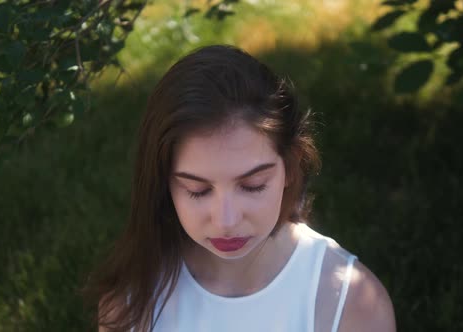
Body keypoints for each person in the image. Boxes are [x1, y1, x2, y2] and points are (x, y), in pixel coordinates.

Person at [85, 45, 395, 332]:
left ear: (290, 165)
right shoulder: (131, 299)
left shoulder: (347, 303)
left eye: (252, 185)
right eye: (197, 190)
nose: (226, 221)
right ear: (163, 182)